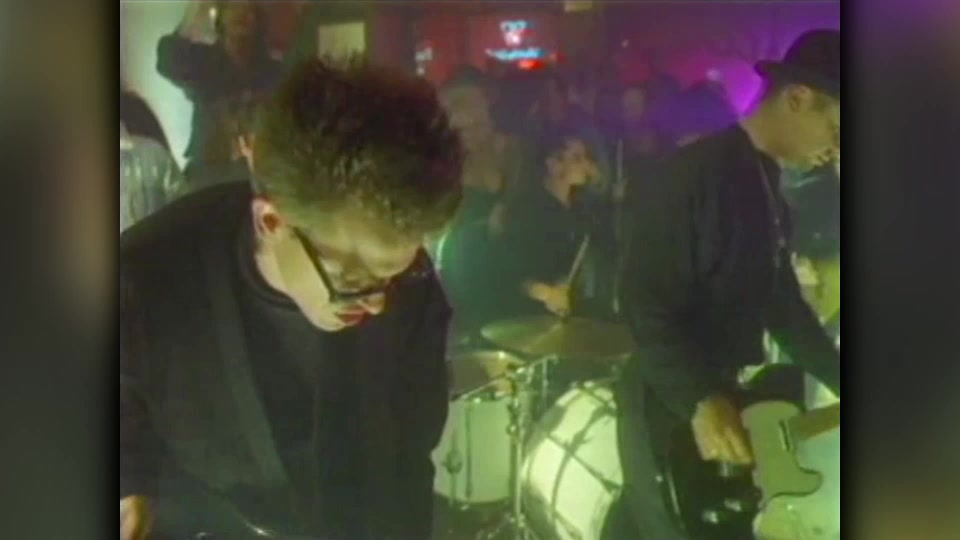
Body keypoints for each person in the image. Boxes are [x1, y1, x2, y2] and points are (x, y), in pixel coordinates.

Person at [119, 59, 464, 540]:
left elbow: (409, 462)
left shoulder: (414, 293)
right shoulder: (143, 282)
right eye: (353, 277)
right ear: (272, 223)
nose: (380, 303)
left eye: (400, 271)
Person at [615, 30, 841, 540]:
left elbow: (780, 305)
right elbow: (644, 303)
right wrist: (700, 399)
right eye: (834, 127)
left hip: (718, 395)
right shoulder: (692, 175)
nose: (835, 147)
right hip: (667, 403)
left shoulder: (766, 184)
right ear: (798, 98)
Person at [156, 0, 285, 188]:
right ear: (221, 16)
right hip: (208, 175)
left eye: (248, 8)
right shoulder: (203, 61)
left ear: (258, 19)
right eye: (234, 7)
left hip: (258, 177)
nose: (241, 14)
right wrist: (197, 9)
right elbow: (167, 58)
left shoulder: (273, 72)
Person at [499, 133, 604, 320]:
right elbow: (512, 273)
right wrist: (547, 293)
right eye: (577, 158)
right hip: (528, 315)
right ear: (554, 165)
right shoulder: (527, 210)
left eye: (586, 158)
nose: (586, 165)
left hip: (568, 313)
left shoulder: (578, 209)